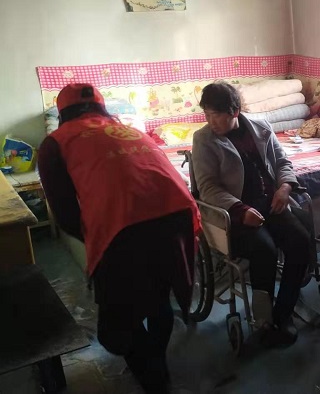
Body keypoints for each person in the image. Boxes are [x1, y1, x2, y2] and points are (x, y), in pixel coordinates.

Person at [39, 83, 201, 393]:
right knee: (159, 299)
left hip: (124, 227)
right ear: (101, 108)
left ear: (62, 114)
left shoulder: (55, 142)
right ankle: (157, 365)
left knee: (115, 329)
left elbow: (66, 215)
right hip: (177, 215)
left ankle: (155, 379)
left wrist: (100, 240)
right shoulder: (128, 130)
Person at [191, 82, 314, 346]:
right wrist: (240, 209)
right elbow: (208, 188)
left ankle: (284, 312)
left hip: (271, 204)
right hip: (235, 213)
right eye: (207, 115)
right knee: (264, 250)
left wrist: (284, 187)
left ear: (234, 111)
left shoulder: (261, 127)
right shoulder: (204, 140)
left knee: (301, 242)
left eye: (216, 115)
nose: (211, 122)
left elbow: (282, 162)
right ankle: (264, 319)